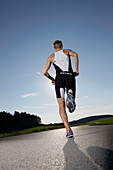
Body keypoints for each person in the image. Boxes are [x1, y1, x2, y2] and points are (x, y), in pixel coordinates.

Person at [43, 40, 79, 138]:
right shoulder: (67, 51)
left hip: (59, 79)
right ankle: (70, 99)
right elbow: (75, 55)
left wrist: (52, 79)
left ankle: (68, 130)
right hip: (69, 76)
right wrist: (76, 70)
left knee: (60, 105)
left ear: (54, 48)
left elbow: (44, 72)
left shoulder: (51, 57)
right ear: (62, 46)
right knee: (71, 97)